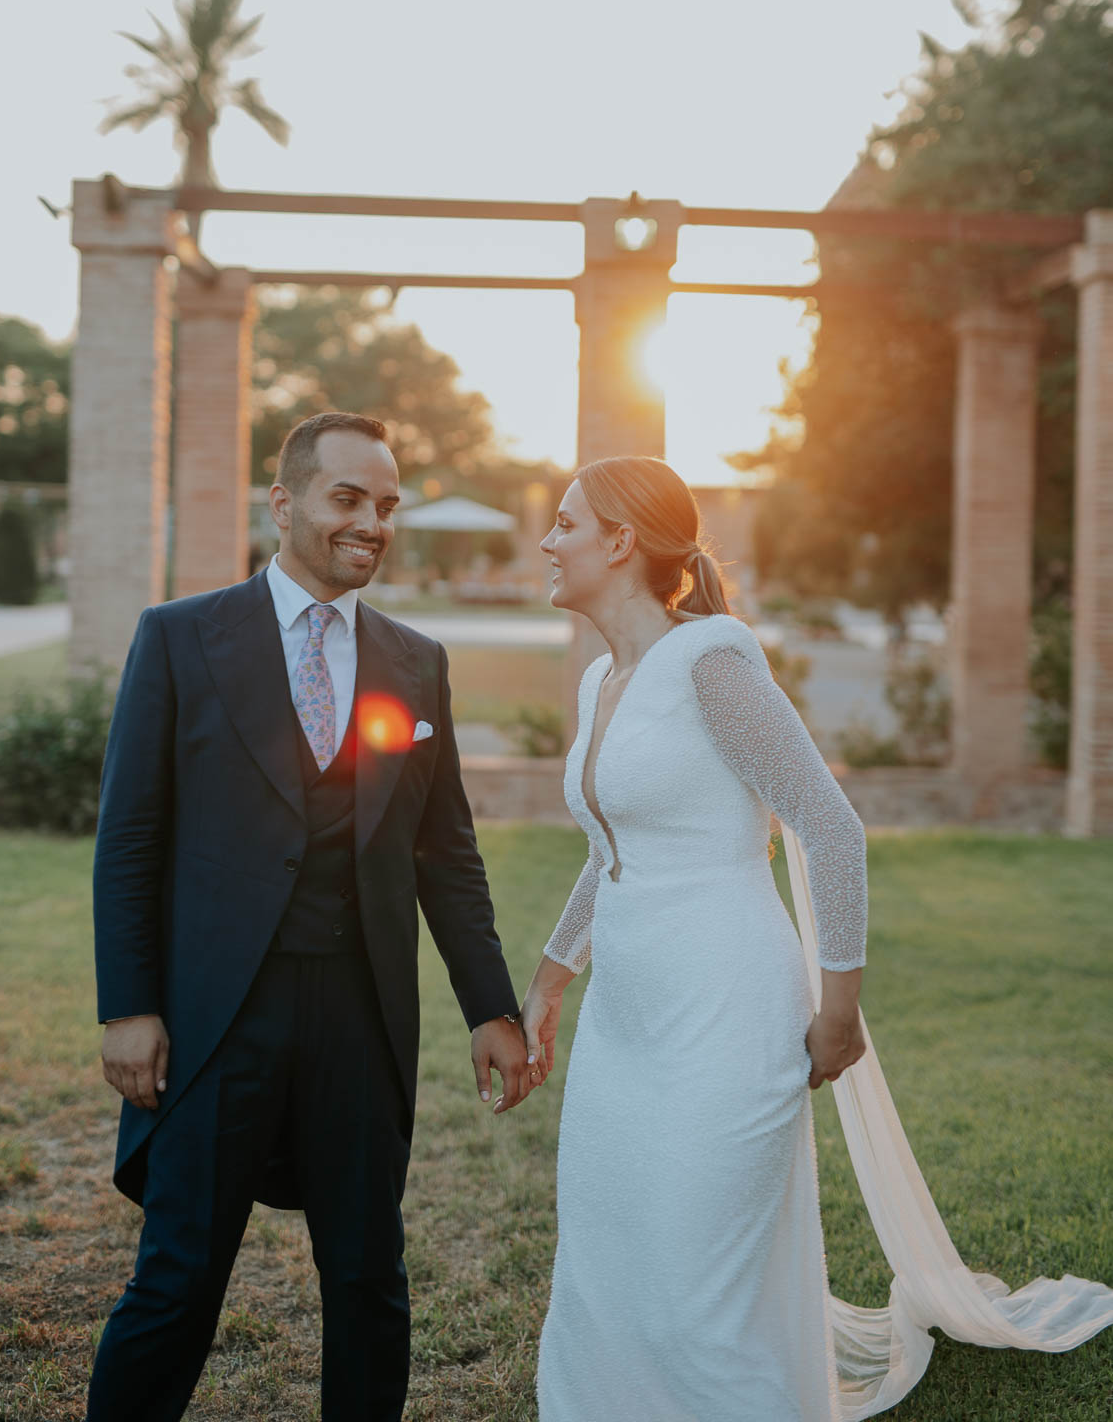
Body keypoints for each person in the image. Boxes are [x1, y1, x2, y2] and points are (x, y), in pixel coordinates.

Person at [88, 411, 532, 1422]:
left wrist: (489, 1005)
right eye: (348, 498)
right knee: (177, 1281)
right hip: (213, 1018)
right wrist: (129, 1004)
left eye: (386, 504)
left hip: (361, 1016)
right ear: (282, 502)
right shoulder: (178, 636)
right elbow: (130, 839)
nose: (371, 521)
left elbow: (444, 850)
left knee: (371, 1281)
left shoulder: (418, 660)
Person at [522, 455, 868, 1422]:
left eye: (563, 524)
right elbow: (615, 846)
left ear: (621, 542)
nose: (546, 542)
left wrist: (835, 1008)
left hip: (726, 1008)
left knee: (696, 1286)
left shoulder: (711, 660)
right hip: (626, 1018)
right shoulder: (601, 677)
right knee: (612, 1251)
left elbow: (827, 825)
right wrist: (552, 978)